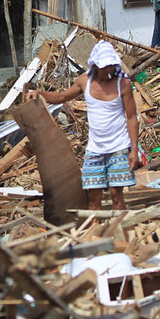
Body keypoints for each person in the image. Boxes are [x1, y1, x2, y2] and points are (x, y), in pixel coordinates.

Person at [26, 41, 139, 210]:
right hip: (95, 148)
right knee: (93, 196)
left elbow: (131, 117)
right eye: (104, 67)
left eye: (111, 66)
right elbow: (62, 97)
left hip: (119, 147)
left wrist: (134, 150)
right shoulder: (85, 82)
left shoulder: (122, 84)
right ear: (95, 66)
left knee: (116, 195)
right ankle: (94, 232)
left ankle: (121, 231)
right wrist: (39, 93)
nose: (108, 70)